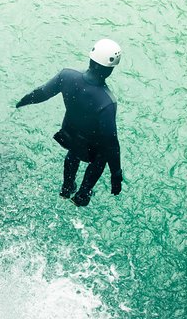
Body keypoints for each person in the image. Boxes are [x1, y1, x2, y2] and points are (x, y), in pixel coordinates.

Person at [16, 39, 123, 206]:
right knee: (102, 157)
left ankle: (66, 189)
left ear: (90, 59)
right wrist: (116, 174)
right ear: (110, 70)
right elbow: (111, 143)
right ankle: (82, 195)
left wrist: (21, 102)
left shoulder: (67, 75)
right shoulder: (107, 102)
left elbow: (42, 93)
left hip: (69, 135)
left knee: (73, 153)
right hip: (92, 148)